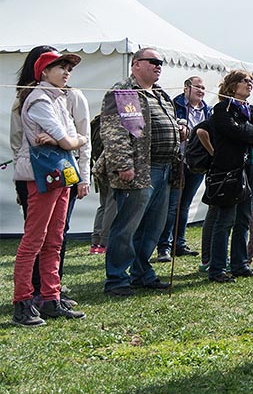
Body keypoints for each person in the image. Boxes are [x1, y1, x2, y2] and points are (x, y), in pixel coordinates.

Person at [98, 48, 187, 297]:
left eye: (161, 62)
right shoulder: (126, 91)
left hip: (164, 168)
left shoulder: (159, 94)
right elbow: (114, 133)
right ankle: (116, 278)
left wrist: (179, 127)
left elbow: (168, 121)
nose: (158, 66)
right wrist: (123, 164)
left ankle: (141, 272)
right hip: (139, 170)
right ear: (136, 64)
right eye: (153, 62)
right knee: (127, 226)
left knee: (153, 227)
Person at [11, 50, 88, 325]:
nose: (67, 72)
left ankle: (50, 298)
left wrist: (67, 139)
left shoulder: (59, 98)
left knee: (54, 239)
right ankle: (22, 302)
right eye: (60, 67)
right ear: (44, 72)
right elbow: (69, 141)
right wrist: (71, 139)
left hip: (59, 175)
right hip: (40, 176)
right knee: (34, 239)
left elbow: (68, 137)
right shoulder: (39, 99)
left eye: (69, 68)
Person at [205, 71, 253, 283]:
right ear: (232, 86)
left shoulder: (251, 110)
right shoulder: (222, 109)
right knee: (225, 220)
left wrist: (249, 132)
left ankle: (240, 263)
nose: (250, 84)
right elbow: (233, 131)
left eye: (251, 81)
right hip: (230, 169)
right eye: (245, 81)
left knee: (244, 217)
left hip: (252, 167)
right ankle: (216, 268)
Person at [156, 76, 212, 263]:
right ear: (187, 87)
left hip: (197, 163)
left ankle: (179, 243)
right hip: (177, 161)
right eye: (198, 86)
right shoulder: (174, 105)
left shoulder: (207, 110)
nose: (201, 90)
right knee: (173, 205)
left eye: (204, 88)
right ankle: (164, 246)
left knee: (185, 204)